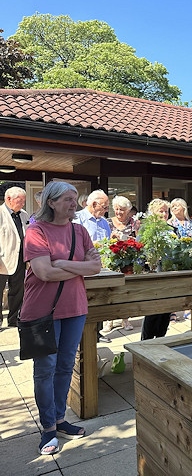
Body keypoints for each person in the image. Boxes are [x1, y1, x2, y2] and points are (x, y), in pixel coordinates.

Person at [22, 181, 102, 455]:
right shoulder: (36, 231)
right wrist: (81, 268)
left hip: (75, 308)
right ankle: (47, 429)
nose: (74, 204)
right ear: (51, 202)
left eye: (75, 198)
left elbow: (96, 266)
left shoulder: (80, 231)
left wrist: (65, 264)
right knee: (45, 369)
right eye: (68, 199)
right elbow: (44, 272)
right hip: (43, 311)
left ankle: (58, 418)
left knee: (66, 365)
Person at [73, 189, 112, 343]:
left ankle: (97, 332)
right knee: (86, 300)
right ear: (94, 204)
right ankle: (84, 334)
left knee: (100, 299)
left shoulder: (103, 221)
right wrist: (92, 245)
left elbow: (107, 241)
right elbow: (74, 244)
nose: (106, 210)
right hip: (84, 267)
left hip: (103, 266)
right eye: (104, 206)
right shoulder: (78, 219)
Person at [140, 199, 174, 340]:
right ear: (153, 212)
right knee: (153, 312)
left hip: (169, 276)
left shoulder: (172, 230)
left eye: (166, 211)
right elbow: (140, 251)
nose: (164, 214)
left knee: (165, 313)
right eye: (161, 211)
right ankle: (146, 343)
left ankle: (160, 340)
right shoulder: (146, 230)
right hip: (153, 277)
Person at [105, 195, 139, 331]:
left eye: (122, 210)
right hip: (113, 260)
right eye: (117, 209)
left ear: (128, 210)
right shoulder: (108, 222)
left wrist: (134, 235)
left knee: (126, 291)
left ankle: (125, 319)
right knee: (111, 290)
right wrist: (111, 238)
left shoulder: (133, 222)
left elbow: (139, 240)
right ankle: (110, 320)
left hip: (128, 261)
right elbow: (104, 242)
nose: (119, 212)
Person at [0, 186, 29, 328]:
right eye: (20, 200)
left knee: (18, 291)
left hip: (20, 259)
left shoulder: (23, 214)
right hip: (2, 260)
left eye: (24, 200)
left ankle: (13, 319)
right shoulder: (0, 213)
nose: (23, 203)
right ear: (8, 199)